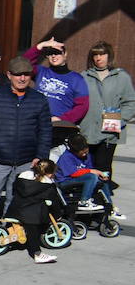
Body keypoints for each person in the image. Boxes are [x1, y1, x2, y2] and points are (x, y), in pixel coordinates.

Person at [0, 57, 52, 248]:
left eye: (26, 74)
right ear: (9, 75)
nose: (22, 78)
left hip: (26, 160)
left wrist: (40, 156)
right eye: (18, 74)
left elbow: (45, 130)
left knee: (15, 199)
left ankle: (11, 232)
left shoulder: (39, 99)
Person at [79, 41, 135, 183]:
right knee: (86, 165)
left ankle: (103, 197)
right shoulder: (84, 76)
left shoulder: (121, 77)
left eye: (102, 54)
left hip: (109, 132)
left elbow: (131, 102)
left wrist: (120, 120)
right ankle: (87, 196)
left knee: (104, 166)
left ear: (109, 56)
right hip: (87, 130)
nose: (99, 58)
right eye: (95, 55)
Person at [26, 38, 89, 146]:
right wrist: (40, 46)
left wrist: (61, 119)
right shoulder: (41, 71)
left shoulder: (76, 79)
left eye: (57, 53)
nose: (54, 56)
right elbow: (23, 64)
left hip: (60, 129)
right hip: (36, 126)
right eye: (50, 53)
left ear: (65, 54)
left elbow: (82, 106)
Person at [56, 134, 117, 215]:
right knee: (91, 177)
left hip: (81, 179)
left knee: (102, 181)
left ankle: (109, 205)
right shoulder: (66, 157)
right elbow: (74, 173)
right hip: (65, 181)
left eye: (86, 152)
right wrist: (92, 171)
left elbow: (89, 169)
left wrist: (100, 175)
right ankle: (84, 202)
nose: (84, 154)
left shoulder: (88, 156)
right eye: (82, 153)